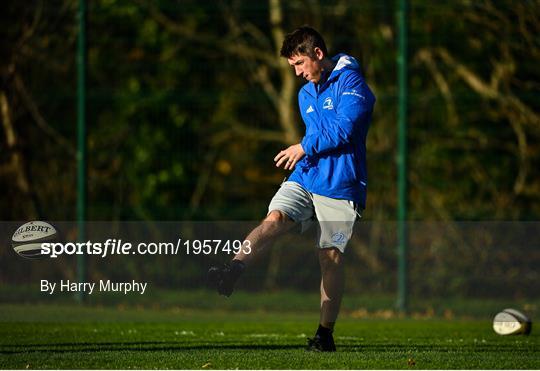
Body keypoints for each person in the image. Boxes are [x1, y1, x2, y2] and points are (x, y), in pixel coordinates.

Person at [208, 26, 375, 352]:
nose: (297, 73)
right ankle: (233, 269)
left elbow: (345, 129)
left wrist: (303, 146)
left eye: (299, 64)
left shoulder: (353, 84)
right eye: (292, 68)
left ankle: (324, 335)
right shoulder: (304, 95)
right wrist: (305, 153)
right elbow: (320, 137)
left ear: (317, 54)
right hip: (306, 177)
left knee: (330, 258)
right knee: (274, 218)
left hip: (341, 185)